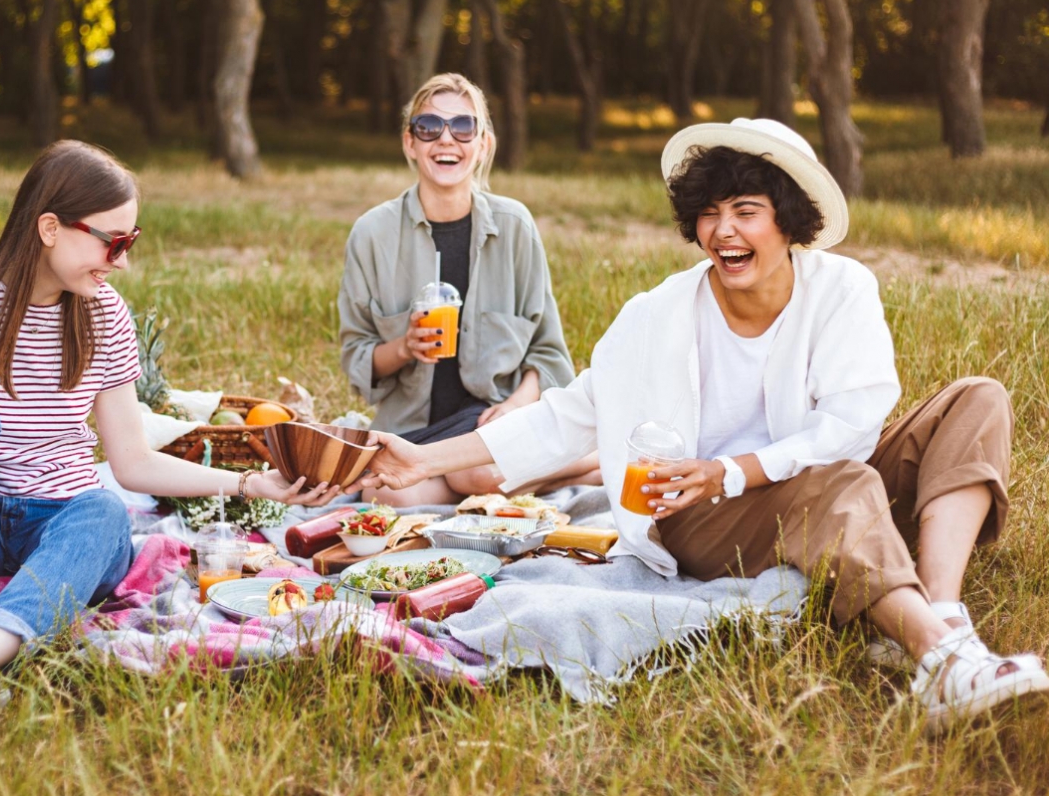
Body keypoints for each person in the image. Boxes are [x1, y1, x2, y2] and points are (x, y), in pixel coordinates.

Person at [355, 118, 1048, 732]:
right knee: (834, 484)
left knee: (977, 398)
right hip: (696, 513)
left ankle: (942, 625)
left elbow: (855, 421)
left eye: (746, 211)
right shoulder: (657, 315)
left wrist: (739, 468)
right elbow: (568, 417)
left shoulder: (841, 290)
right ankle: (944, 657)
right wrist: (426, 462)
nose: (724, 231)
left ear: (789, 219)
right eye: (710, 213)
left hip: (805, 481)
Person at [0, 141, 340, 716]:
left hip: (60, 524)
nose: (122, 261)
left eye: (132, 241)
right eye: (113, 242)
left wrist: (250, 484)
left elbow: (132, 462)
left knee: (105, 512)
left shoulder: (104, 314)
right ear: (50, 227)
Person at [337, 72, 596, 506]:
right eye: (429, 127)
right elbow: (357, 359)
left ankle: (556, 465)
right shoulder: (372, 233)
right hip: (415, 434)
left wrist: (515, 407)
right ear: (410, 143)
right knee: (393, 498)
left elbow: (548, 353)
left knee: (478, 468)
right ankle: (589, 468)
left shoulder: (515, 227)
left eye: (463, 127)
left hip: (493, 422)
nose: (446, 140)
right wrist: (404, 347)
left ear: (483, 145)